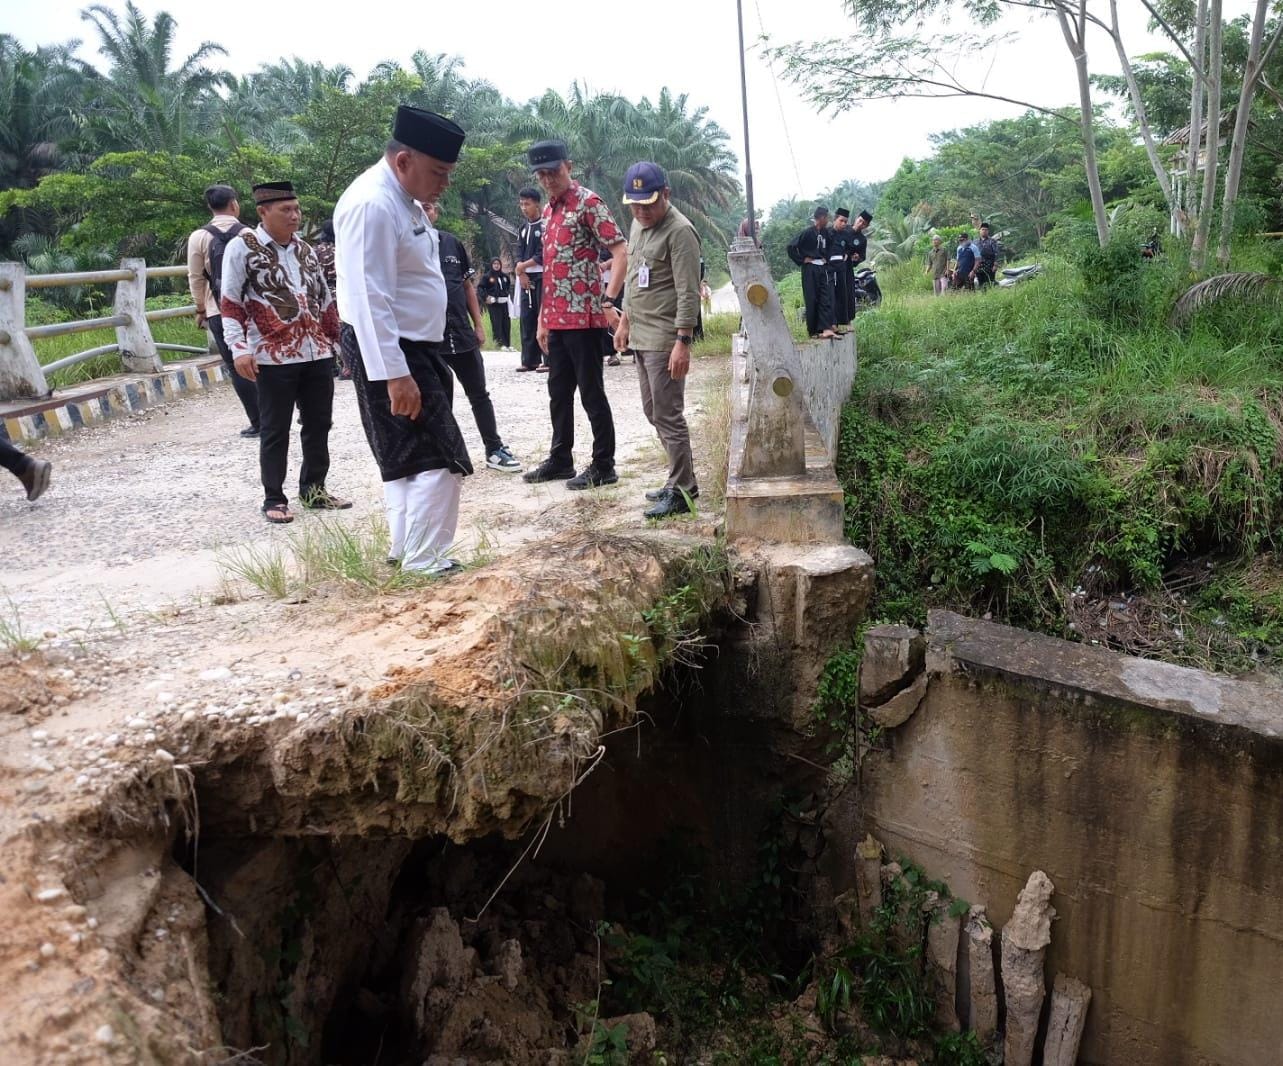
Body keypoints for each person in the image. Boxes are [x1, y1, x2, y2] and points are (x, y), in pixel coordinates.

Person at [333, 106, 473, 575]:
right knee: (439, 455)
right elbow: (369, 297)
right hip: (393, 349)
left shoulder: (402, 201)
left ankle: (406, 551)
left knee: (407, 458)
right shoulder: (372, 205)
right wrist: (395, 374)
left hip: (412, 346)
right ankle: (425, 561)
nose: (445, 183)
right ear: (403, 161)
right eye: (439, 172)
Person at [220, 181, 348, 524]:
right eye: (286, 210)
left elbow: (325, 299)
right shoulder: (242, 248)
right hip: (271, 355)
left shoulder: (306, 250)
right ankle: (274, 497)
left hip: (315, 352)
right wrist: (239, 349)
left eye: (297, 209)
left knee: (319, 423)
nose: (295, 216)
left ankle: (314, 489)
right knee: (276, 428)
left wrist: (336, 343)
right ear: (263, 212)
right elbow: (230, 303)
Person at [521, 139, 627, 491]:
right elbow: (551, 269)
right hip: (556, 319)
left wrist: (608, 300)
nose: (548, 179)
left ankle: (603, 464)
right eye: (542, 174)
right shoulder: (549, 212)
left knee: (591, 393)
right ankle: (561, 459)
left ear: (569, 166)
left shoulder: (588, 203)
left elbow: (620, 251)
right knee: (558, 392)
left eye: (553, 171)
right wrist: (541, 320)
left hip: (584, 319)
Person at [613, 162, 701, 520]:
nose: (641, 212)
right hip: (641, 336)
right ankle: (676, 480)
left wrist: (683, 341)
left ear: (665, 194)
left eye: (648, 204)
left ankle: (683, 490)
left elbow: (688, 291)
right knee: (653, 412)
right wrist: (624, 322)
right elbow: (634, 279)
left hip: (666, 338)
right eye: (635, 205)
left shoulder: (680, 232)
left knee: (668, 414)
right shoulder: (637, 224)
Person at [427, 202, 522, 474]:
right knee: (441, 399)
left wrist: (479, 325)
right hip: (431, 338)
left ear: (436, 211)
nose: (426, 211)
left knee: (479, 394)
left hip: (462, 333)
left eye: (431, 207)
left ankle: (494, 449)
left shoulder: (452, 244)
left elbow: (467, 286)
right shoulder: (404, 247)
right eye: (420, 207)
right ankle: (447, 455)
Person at [186, 184, 258, 436]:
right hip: (254, 310)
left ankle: (258, 421)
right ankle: (278, 416)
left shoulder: (199, 237)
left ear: (210, 207)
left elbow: (195, 277)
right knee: (266, 361)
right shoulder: (249, 233)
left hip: (219, 310)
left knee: (236, 364)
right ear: (235, 204)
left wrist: (200, 309)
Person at [787, 206, 836, 339]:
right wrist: (803, 259)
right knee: (812, 297)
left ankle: (825, 327)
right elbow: (791, 247)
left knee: (825, 297)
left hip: (822, 268)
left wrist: (827, 257)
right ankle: (813, 330)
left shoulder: (826, 233)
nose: (827, 220)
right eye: (826, 217)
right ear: (821, 218)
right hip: (810, 269)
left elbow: (831, 246)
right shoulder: (807, 233)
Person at [513, 186, 546, 373]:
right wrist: (521, 271)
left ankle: (547, 359)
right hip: (525, 277)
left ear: (537, 204)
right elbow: (518, 250)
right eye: (521, 204)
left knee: (543, 316)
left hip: (542, 275)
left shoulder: (544, 226)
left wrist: (523, 266)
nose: (524, 208)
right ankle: (529, 359)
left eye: (527, 204)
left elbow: (542, 254)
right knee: (527, 317)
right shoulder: (523, 228)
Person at [312, 220, 350, 379]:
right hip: (342, 292)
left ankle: (330, 365)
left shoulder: (315, 251)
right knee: (342, 328)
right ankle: (347, 365)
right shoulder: (342, 249)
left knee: (323, 329)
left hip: (321, 294)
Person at [476, 258, 513, 351]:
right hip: (494, 303)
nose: (496, 265)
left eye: (498, 264)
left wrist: (507, 293)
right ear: (492, 265)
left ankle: (507, 344)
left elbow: (508, 286)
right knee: (497, 323)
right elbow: (480, 288)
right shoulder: (487, 276)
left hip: (504, 302)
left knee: (506, 323)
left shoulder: (504, 276)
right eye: (495, 264)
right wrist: (486, 297)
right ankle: (499, 344)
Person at [829, 208, 854, 333]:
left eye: (845, 221)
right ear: (835, 220)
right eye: (841, 221)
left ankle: (845, 321)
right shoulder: (826, 233)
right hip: (829, 268)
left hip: (841, 267)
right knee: (830, 295)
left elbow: (849, 248)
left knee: (843, 294)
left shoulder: (847, 234)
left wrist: (847, 254)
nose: (843, 224)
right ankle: (832, 323)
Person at [976, 222, 999, 288]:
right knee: (981, 284)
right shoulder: (975, 242)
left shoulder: (992, 241)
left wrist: (995, 265)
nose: (984, 231)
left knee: (990, 283)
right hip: (979, 267)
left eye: (986, 230)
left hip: (990, 266)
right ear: (979, 231)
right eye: (982, 229)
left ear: (988, 231)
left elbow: (996, 253)